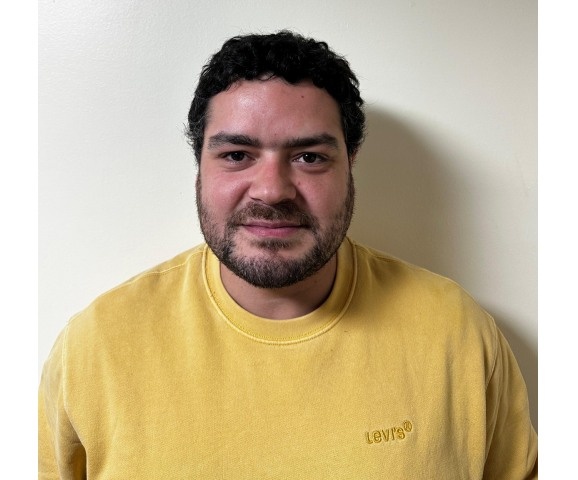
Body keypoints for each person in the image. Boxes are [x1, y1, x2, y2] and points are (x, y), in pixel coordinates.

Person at [38, 30, 537, 479]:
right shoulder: (97, 347)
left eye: (309, 157)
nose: (272, 190)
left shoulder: (458, 335)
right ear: (200, 165)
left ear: (350, 163)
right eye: (237, 155)